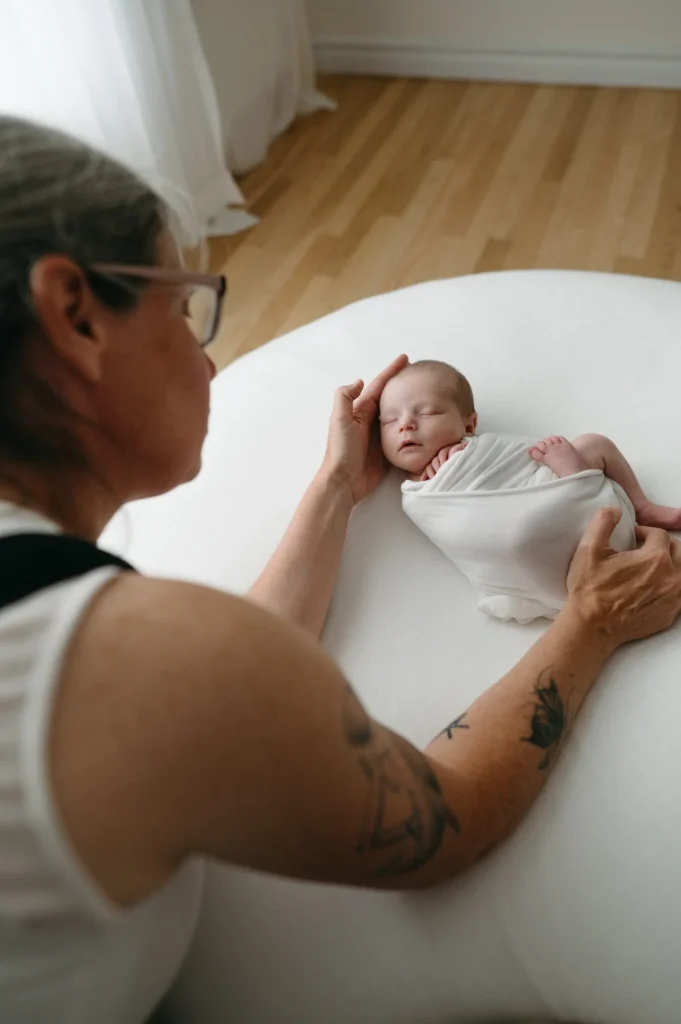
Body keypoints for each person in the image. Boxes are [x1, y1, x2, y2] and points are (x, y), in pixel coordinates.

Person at [0, 115, 680, 1024]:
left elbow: (224, 675)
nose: (206, 360)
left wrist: (334, 486)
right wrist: (587, 622)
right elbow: (443, 822)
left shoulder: (133, 650)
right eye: (182, 308)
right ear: (74, 315)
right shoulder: (117, 657)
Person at [381, 359, 681, 622]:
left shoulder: (484, 450)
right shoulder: (418, 497)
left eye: (428, 412)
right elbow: (463, 532)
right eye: (390, 420)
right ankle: (578, 486)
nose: (405, 425)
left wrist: (556, 466)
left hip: (549, 494)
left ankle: (639, 506)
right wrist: (439, 479)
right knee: (522, 535)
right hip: (528, 552)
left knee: (593, 444)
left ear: (469, 424)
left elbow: (529, 461)